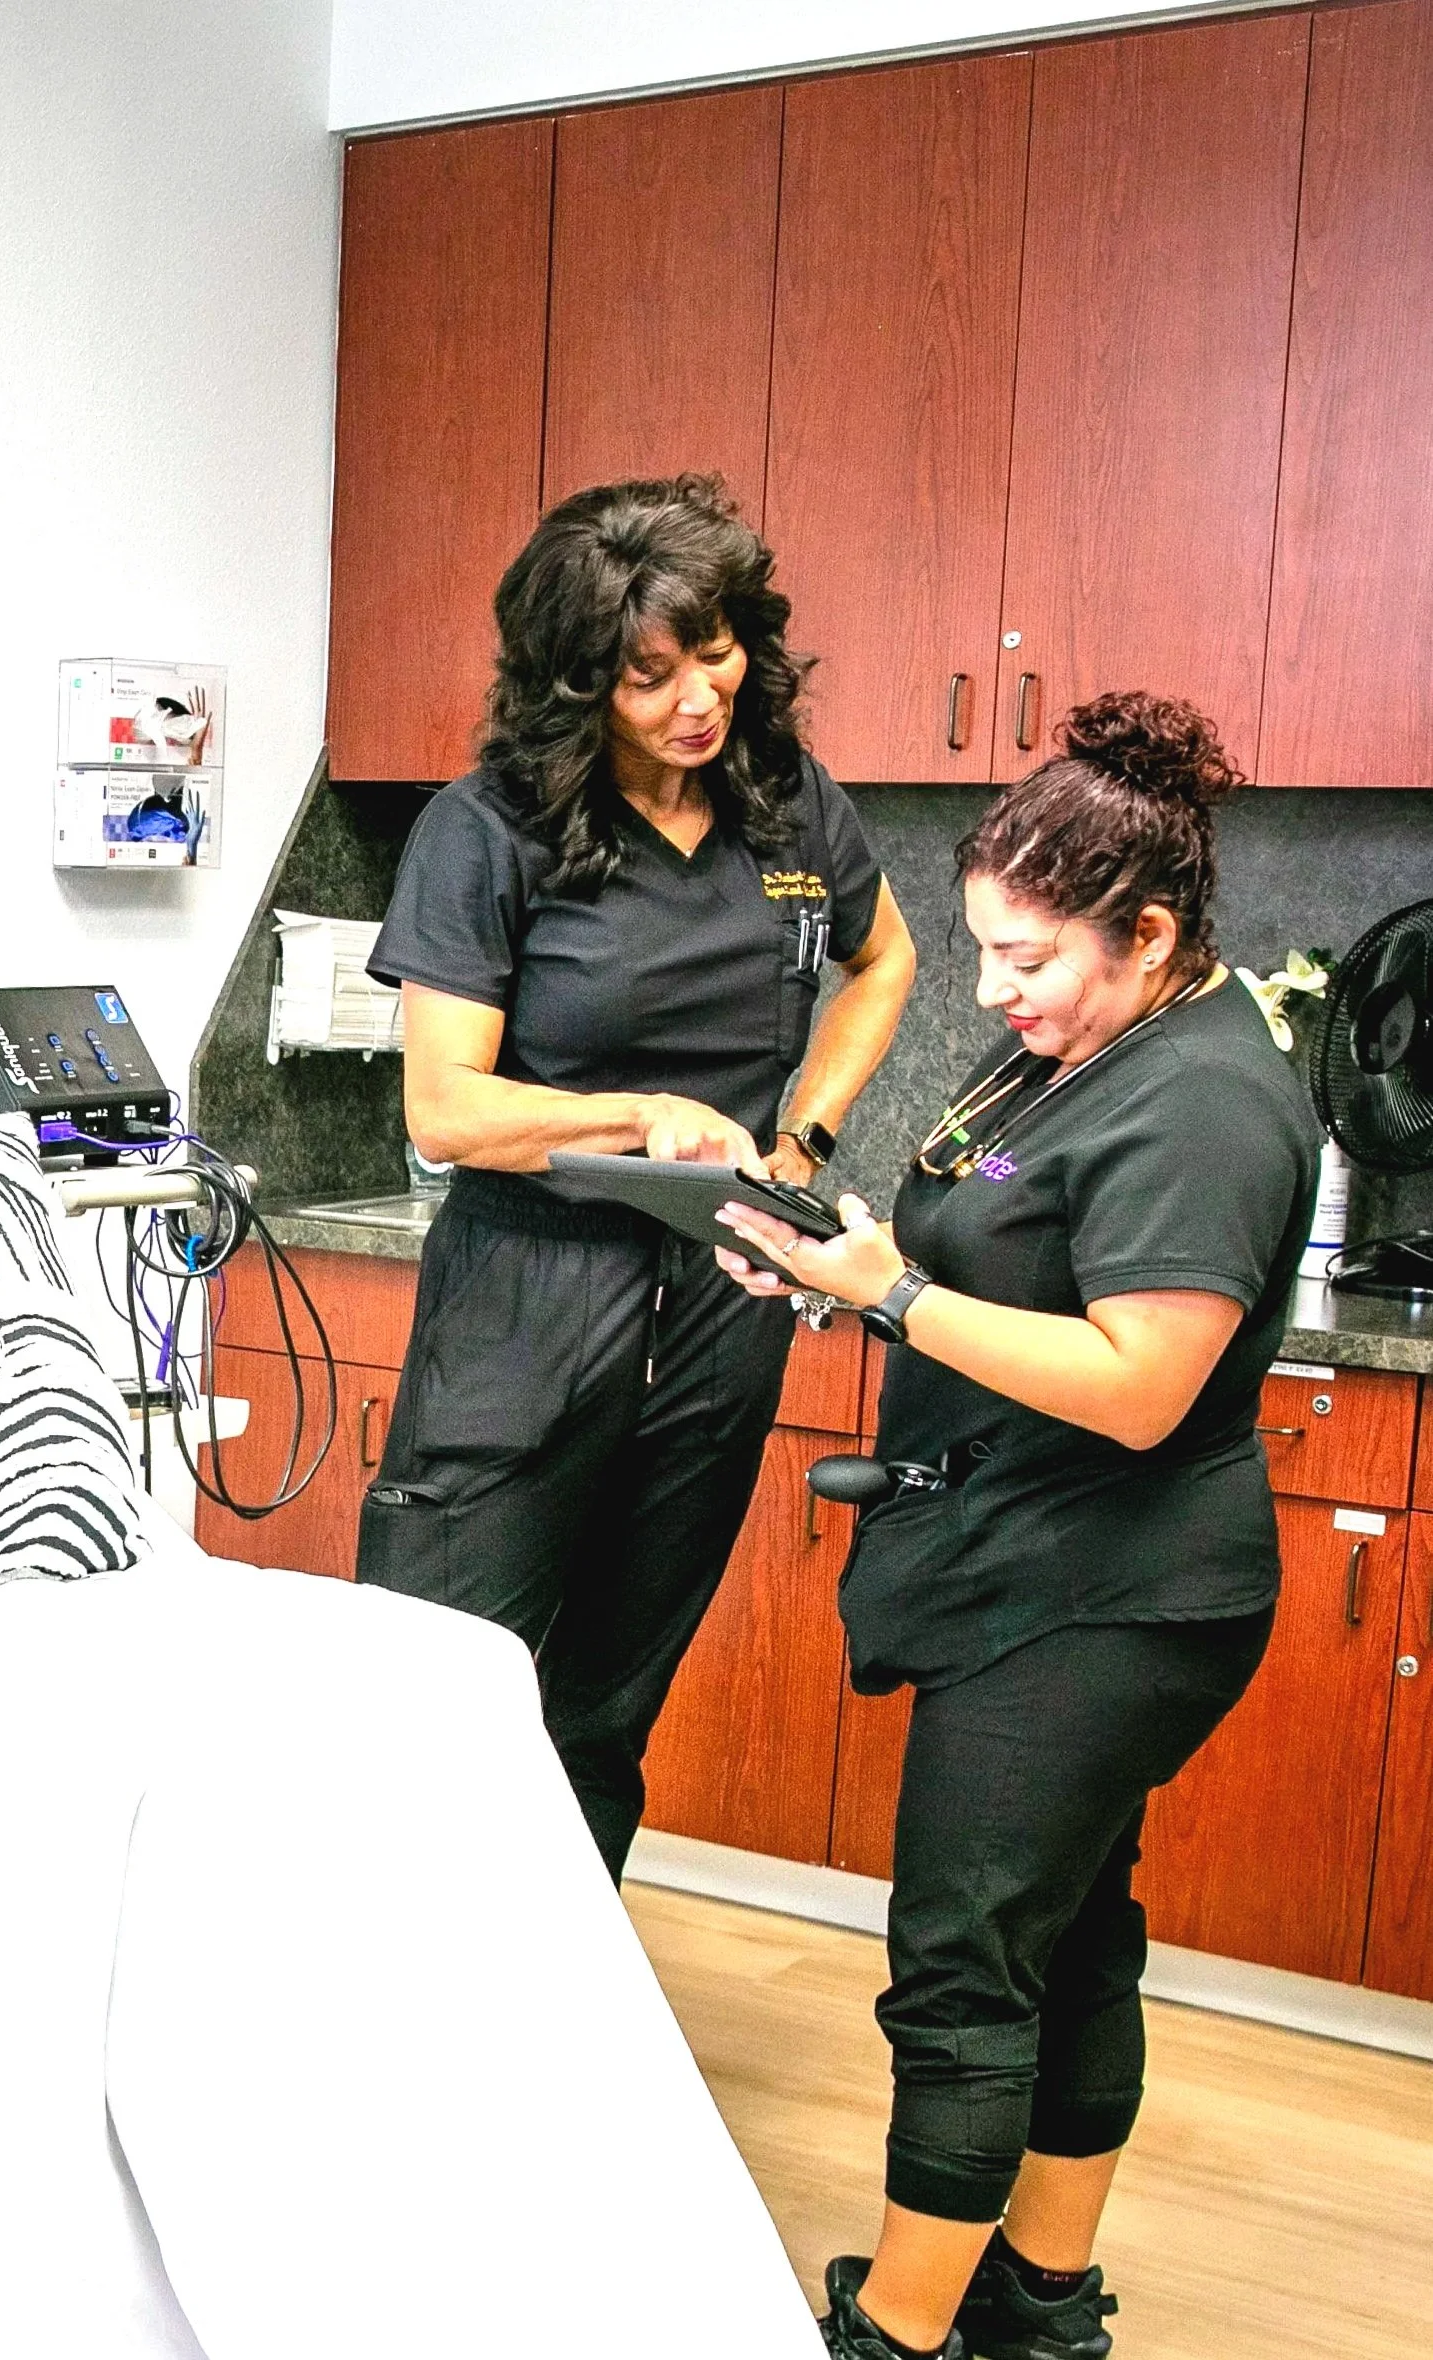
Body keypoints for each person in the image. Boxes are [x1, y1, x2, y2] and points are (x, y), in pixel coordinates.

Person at [714, 692, 1319, 2360]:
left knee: (964, 1964)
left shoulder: (1199, 1099)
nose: (992, 990)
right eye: (981, 949)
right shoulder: (1090, 1037)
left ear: (1149, 932)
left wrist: (890, 1294)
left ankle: (898, 2337)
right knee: (1067, 1935)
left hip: (1101, 1596)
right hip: (1028, 1559)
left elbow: (1137, 1382)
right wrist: (834, 1269)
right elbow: (1001, 1249)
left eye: (1029, 958)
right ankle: (1038, 2306)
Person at [356, 474, 916, 1882]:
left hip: (721, 1292)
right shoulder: (488, 829)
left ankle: (557, 2031)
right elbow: (443, 1108)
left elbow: (884, 960)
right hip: (531, 1295)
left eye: (714, 654)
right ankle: (378, 2026)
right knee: (434, 1679)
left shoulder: (786, 804)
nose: (693, 701)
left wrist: (803, 1142)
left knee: (607, 1700)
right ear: (576, 683)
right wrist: (638, 1111)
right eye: (645, 675)